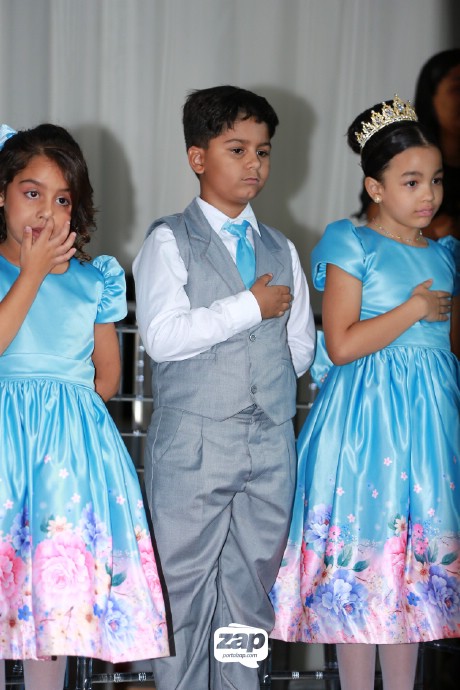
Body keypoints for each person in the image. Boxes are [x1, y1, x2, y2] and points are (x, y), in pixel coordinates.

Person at [269, 96, 460, 690]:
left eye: (436, 179)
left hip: (429, 425)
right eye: (411, 181)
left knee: (411, 578)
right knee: (362, 563)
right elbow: (344, 341)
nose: (428, 194)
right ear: (375, 188)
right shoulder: (351, 242)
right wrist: (413, 309)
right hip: (366, 421)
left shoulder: (445, 254)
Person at [132, 85, 316, 690]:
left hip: (268, 447)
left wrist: (264, 386)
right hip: (194, 444)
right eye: (237, 149)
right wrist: (248, 308)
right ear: (198, 157)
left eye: (263, 151)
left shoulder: (281, 247)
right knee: (182, 589)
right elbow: (163, 337)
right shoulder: (169, 240)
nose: (254, 164)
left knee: (249, 589)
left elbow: (299, 346)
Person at [0, 123, 169, 690]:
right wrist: (30, 273)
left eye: (62, 199)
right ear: (1, 194)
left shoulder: (94, 280)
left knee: (55, 600)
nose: (46, 212)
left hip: (65, 457)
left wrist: (65, 423)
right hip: (4, 447)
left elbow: (108, 374)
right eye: (32, 193)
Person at [415, 48, 460, 242]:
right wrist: (429, 232)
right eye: (457, 89)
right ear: (431, 97)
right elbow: (379, 223)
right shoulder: (405, 156)